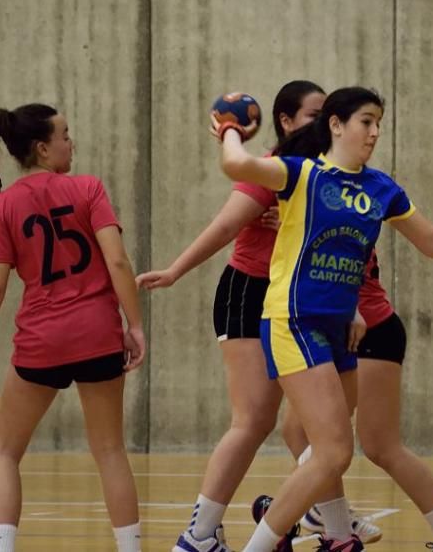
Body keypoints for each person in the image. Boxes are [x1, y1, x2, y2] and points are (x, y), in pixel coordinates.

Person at [212, 86, 433, 552]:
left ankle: (340, 535)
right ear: (336, 125)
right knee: (332, 452)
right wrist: (230, 131)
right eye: (366, 121)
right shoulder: (301, 174)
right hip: (293, 320)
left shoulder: (381, 188)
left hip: (341, 329)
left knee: (330, 452)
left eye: (379, 122)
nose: (375, 131)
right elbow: (236, 166)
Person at [138, 81, 381, 552]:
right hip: (251, 293)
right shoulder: (275, 168)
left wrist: (352, 306)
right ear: (288, 122)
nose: (325, 120)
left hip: (306, 304)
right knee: (252, 419)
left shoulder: (333, 173)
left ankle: (333, 529)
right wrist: (175, 270)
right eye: (314, 114)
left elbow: (340, 250)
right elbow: (226, 224)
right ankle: (200, 533)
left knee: (319, 427)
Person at [0, 103, 146, 552]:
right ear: (43, 149)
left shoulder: (0, 207)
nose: (72, 142)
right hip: (97, 333)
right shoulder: (88, 189)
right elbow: (117, 260)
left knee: (4, 452)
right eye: (65, 135)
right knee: (110, 452)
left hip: (40, 341)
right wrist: (135, 324)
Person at [281, 248, 433, 551]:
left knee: (381, 447)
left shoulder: (338, 211)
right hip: (335, 331)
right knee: (298, 432)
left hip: (368, 331)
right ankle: (338, 528)